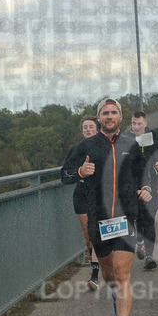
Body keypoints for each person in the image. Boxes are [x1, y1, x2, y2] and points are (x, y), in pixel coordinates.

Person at [60, 98, 153, 316]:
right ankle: (114, 295)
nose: (109, 116)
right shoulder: (85, 146)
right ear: (98, 117)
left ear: (120, 117)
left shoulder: (132, 144)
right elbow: (64, 175)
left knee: (122, 274)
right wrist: (80, 172)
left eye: (113, 112)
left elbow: (144, 172)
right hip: (98, 220)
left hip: (126, 218)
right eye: (105, 113)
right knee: (109, 275)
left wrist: (146, 187)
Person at [62, 116, 101, 290]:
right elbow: (64, 175)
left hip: (100, 196)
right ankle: (98, 264)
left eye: (91, 126)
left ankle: (94, 275)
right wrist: (80, 172)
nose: (88, 129)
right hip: (82, 195)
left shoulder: (105, 147)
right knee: (88, 240)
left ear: (97, 129)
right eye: (85, 127)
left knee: (97, 235)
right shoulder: (76, 149)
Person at [130, 111, 158, 270]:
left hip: (153, 183)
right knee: (137, 218)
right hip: (134, 184)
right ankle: (139, 240)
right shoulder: (127, 138)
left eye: (139, 123)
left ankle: (149, 256)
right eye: (134, 123)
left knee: (149, 219)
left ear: (145, 123)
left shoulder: (154, 137)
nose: (136, 127)